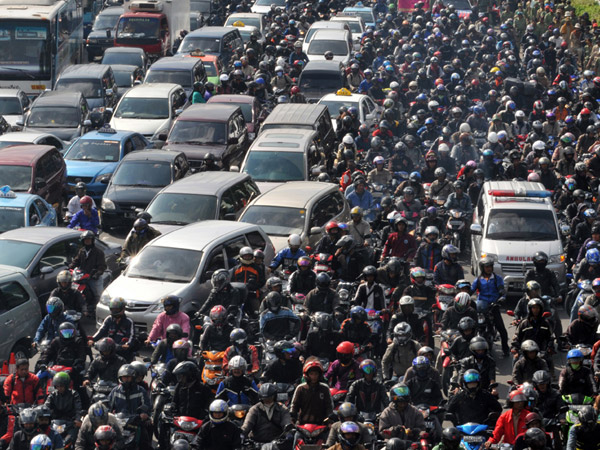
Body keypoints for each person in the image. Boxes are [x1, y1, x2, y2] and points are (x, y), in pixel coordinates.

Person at [472, 256, 509, 355]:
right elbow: (471, 290)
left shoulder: (498, 279)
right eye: (486, 267)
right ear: (482, 268)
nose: (489, 268)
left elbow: (502, 290)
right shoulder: (478, 280)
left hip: (494, 306)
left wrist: (502, 298)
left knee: (502, 329)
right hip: (481, 307)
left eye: (490, 266)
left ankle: (506, 349)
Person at [107, 364, 152, 448]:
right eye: (124, 377)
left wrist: (144, 414)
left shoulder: (140, 390)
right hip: (118, 423)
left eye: (128, 377)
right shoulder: (115, 391)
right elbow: (108, 405)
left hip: (135, 423)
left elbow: (147, 405)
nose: (126, 380)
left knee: (145, 441)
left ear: (133, 377)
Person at [68, 231, 106, 314]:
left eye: (89, 240)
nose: (87, 241)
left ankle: (100, 310)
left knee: (98, 295)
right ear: (83, 241)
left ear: (92, 240)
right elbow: (76, 261)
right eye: (86, 240)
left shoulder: (98, 252)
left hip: (93, 277)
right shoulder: (82, 251)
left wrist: (97, 274)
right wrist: (69, 268)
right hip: (82, 276)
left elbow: (102, 266)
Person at [38, 321, 86, 387]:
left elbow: (82, 356)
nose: (67, 335)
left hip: (72, 370)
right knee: (37, 380)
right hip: (56, 369)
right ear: (60, 333)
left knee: (81, 388)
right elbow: (47, 353)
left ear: (74, 332)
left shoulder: (78, 341)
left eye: (69, 333)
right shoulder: (56, 341)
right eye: (65, 333)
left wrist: (77, 365)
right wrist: (42, 362)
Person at [90, 297, 136, 362]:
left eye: (117, 309)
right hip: (108, 348)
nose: (115, 311)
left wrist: (127, 344)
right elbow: (101, 331)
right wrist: (92, 339)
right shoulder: (108, 319)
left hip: (122, 350)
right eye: (113, 309)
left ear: (123, 309)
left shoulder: (129, 321)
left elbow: (132, 336)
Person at [290, 359, 333, 425]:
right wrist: (292, 418)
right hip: (303, 424)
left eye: (316, 374)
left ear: (319, 375)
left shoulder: (324, 388)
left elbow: (329, 406)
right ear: (307, 375)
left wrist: (329, 419)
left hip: (321, 425)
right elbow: (294, 405)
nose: (314, 377)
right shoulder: (300, 388)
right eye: (311, 374)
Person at [44, 372, 82, 445]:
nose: (59, 388)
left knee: (74, 438)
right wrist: (43, 416)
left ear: (66, 385)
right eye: (57, 386)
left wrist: (77, 419)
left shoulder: (74, 394)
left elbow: (78, 409)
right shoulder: (52, 395)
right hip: (54, 422)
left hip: (70, 423)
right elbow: (46, 407)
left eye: (62, 386)